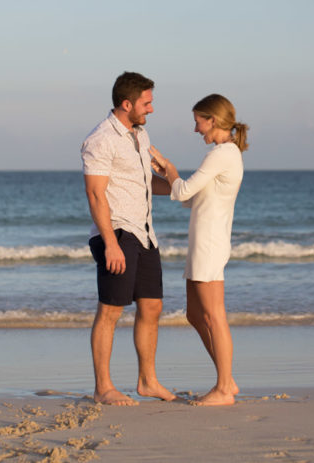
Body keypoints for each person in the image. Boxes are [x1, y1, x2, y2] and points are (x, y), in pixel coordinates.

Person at [81, 72, 176, 406]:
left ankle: (147, 381)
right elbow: (95, 195)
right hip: (118, 233)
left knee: (152, 307)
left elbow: (145, 181)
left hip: (145, 233)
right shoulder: (101, 139)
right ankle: (103, 387)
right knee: (110, 311)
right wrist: (110, 243)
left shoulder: (140, 134)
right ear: (127, 104)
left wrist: (183, 190)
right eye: (146, 103)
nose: (150, 109)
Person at [149, 94, 248, 406]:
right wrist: (155, 176)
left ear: (212, 121)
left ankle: (223, 388)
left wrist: (170, 168)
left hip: (210, 244)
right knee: (194, 313)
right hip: (202, 241)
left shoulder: (223, 153)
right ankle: (226, 379)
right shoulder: (223, 154)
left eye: (198, 122)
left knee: (214, 315)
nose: (196, 129)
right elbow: (192, 198)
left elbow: (183, 191)